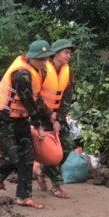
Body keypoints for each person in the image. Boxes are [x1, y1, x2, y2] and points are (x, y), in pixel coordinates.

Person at [0, 40, 55, 209]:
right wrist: (39, 127)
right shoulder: (22, 75)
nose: (43, 62)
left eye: (45, 58)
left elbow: (36, 98)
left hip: (21, 119)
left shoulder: (39, 71)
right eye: (39, 59)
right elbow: (28, 102)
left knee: (27, 157)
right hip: (4, 118)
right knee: (12, 156)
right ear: (30, 57)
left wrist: (50, 115)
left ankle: (24, 197)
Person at [34, 38, 77, 198]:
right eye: (66, 52)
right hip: (41, 115)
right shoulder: (43, 69)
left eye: (70, 53)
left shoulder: (68, 72)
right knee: (51, 150)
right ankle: (57, 186)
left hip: (57, 116)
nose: (69, 56)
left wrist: (59, 119)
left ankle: (41, 170)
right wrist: (49, 114)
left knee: (66, 147)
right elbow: (35, 96)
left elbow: (67, 97)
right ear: (56, 53)